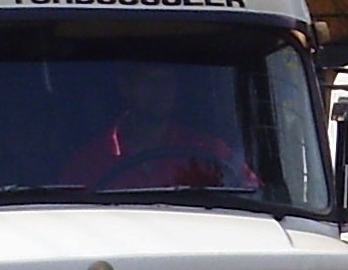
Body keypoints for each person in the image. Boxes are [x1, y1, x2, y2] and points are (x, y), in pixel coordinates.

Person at [60, 63, 253, 191]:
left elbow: (251, 193)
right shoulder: (90, 161)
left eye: (167, 81)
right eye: (149, 81)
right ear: (125, 87)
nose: (160, 90)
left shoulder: (207, 151)